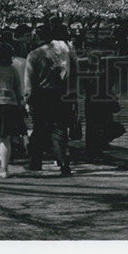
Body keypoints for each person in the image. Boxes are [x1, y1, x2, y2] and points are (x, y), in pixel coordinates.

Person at [24, 20, 77, 176]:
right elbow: (74, 76)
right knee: (60, 130)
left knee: (39, 128)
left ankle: (36, 162)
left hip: (41, 95)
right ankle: (63, 162)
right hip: (61, 94)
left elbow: (30, 81)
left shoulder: (34, 54)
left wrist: (28, 99)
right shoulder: (65, 53)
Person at [0, 41, 26, 179]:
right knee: (5, 139)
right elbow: (18, 89)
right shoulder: (12, 69)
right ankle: (4, 169)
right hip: (9, 104)